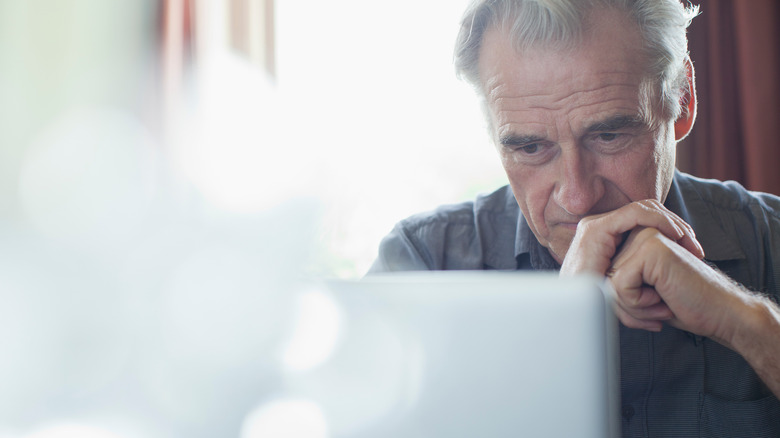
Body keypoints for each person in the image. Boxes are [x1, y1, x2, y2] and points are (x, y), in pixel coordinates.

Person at [369, 0, 780, 435]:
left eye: (609, 135)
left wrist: (745, 323)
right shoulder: (423, 265)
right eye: (530, 148)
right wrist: (561, 333)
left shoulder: (771, 239)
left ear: (682, 100)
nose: (578, 198)